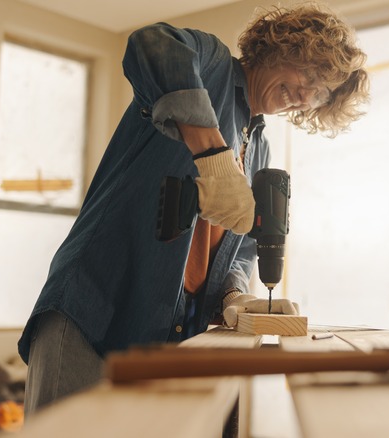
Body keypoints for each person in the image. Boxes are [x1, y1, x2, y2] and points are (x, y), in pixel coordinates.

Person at [19, 2, 370, 414]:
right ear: (280, 48)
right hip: (93, 314)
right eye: (308, 75)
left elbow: (240, 248)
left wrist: (235, 296)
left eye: (321, 93)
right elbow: (150, 44)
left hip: (162, 339)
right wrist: (214, 156)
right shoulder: (212, 66)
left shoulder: (258, 147)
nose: (307, 95)